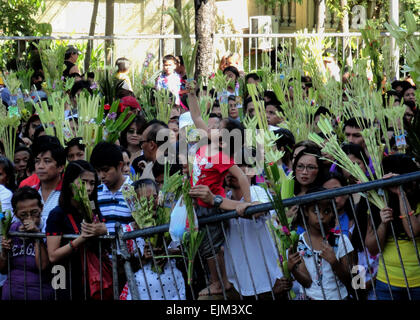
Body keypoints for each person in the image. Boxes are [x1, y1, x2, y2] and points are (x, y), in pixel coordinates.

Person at [187, 81, 251, 296]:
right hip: (199, 204)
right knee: (206, 247)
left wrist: (248, 203)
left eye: (217, 129)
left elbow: (242, 177)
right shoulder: (207, 144)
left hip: (211, 206)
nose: (210, 128)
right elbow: (196, 116)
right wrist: (192, 94)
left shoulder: (222, 157)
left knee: (213, 247)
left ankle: (220, 282)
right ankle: (218, 281)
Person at [46, 160, 108, 300]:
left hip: (90, 278)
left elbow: (105, 243)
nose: (88, 188)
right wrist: (82, 238)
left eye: (92, 183)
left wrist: (103, 230)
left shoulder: (93, 209)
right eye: (83, 182)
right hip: (63, 276)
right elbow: (53, 256)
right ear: (69, 184)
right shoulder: (57, 214)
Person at [119, 179, 186, 300]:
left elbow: (185, 253)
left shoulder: (169, 225)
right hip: (140, 293)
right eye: (145, 199)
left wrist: (167, 253)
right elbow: (120, 269)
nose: (152, 202)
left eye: (154, 197)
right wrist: (142, 258)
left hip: (173, 291)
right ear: (135, 203)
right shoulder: (127, 232)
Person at [365, 154, 420, 300]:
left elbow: (412, 231)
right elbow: (372, 248)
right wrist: (384, 223)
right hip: (387, 283)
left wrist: (401, 193)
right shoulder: (377, 203)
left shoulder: (418, 201)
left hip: (418, 282)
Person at [288, 187, 354, 300]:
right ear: (305, 211)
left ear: (333, 213)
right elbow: (307, 282)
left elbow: (350, 280)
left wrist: (334, 262)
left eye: (327, 211)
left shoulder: (342, 240)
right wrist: (293, 269)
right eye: (315, 211)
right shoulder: (299, 242)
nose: (321, 216)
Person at [0, 187, 53, 300]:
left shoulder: (50, 227)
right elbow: (3, 269)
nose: (30, 218)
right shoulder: (12, 229)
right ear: (16, 214)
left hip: (40, 291)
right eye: (23, 215)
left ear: (41, 208)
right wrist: (4, 251)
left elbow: (43, 266)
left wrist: (36, 236)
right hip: (11, 292)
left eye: (34, 212)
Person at [90, 142, 133, 235]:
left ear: (120, 165)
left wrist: (108, 232)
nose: (101, 176)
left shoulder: (135, 191)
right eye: (98, 171)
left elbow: (139, 226)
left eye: (106, 170)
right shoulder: (95, 194)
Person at [30, 136, 65, 231]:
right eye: (37, 161)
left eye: (47, 161)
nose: (40, 166)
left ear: (61, 167)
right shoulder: (30, 193)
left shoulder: (68, 194)